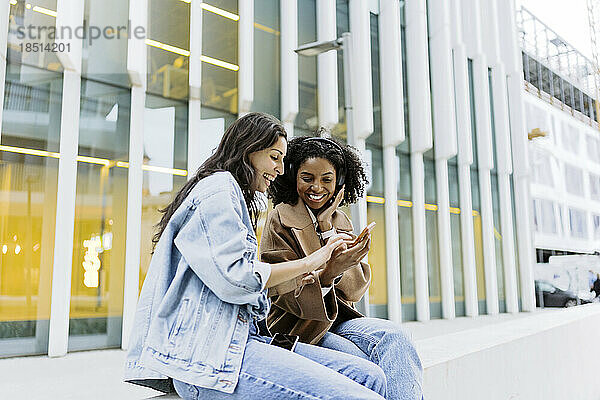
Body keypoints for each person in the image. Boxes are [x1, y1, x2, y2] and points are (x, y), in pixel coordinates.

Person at [124, 113, 388, 400]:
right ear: (249, 149)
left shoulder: (233, 195)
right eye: (275, 157)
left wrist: (324, 267)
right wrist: (316, 261)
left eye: (283, 159)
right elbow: (238, 278)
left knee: (370, 376)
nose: (279, 168)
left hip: (247, 341)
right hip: (212, 358)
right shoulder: (218, 190)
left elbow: (350, 289)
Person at [261, 134, 424, 400]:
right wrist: (328, 274)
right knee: (367, 369)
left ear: (339, 182)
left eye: (327, 179)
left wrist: (326, 229)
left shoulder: (339, 219)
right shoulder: (281, 218)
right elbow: (284, 293)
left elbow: (355, 291)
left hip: (338, 320)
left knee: (396, 337)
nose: (317, 187)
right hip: (300, 326)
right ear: (293, 176)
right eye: (307, 178)